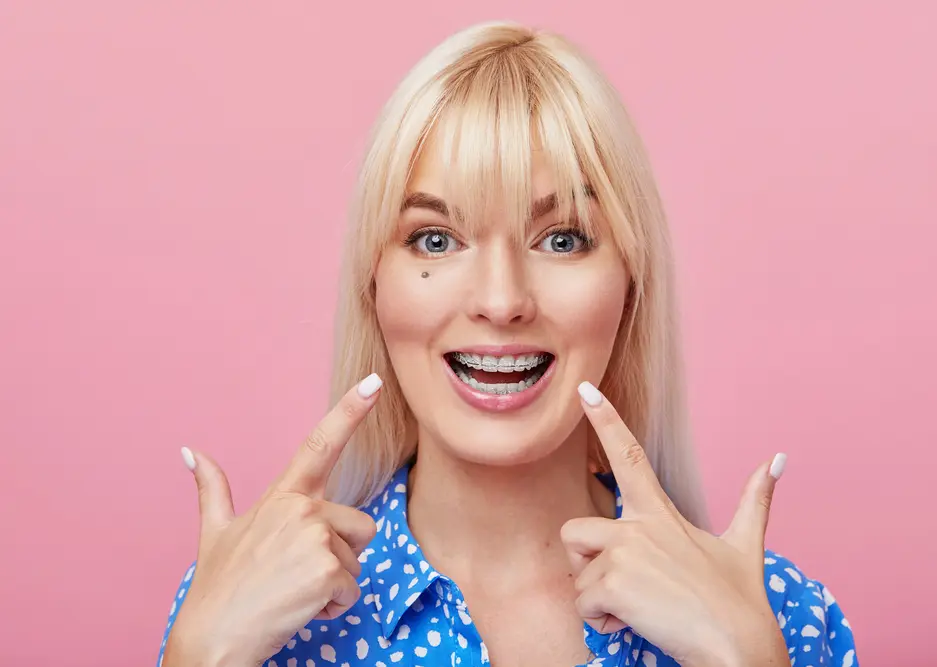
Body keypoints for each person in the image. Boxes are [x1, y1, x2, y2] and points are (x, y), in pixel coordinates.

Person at [158, 21, 858, 667]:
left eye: (563, 239)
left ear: (630, 287)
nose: (500, 301)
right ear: (374, 286)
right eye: (436, 239)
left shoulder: (778, 617)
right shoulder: (247, 607)